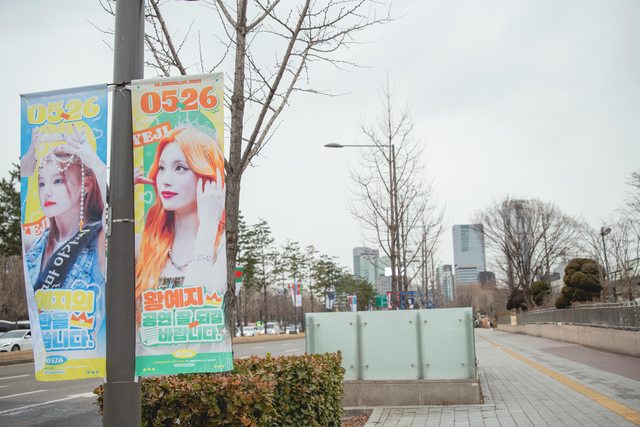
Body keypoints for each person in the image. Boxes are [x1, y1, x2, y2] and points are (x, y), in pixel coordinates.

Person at [135, 126, 226, 315]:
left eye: (180, 168)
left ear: (207, 177)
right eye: (161, 168)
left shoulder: (222, 244)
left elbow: (197, 309)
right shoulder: (144, 244)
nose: (165, 180)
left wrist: (208, 225)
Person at [21, 125, 107, 291]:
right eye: (42, 184)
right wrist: (25, 166)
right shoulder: (36, 244)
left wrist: (96, 164)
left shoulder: (99, 237)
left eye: (58, 181)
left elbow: (109, 212)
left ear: (86, 184)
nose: (47, 192)